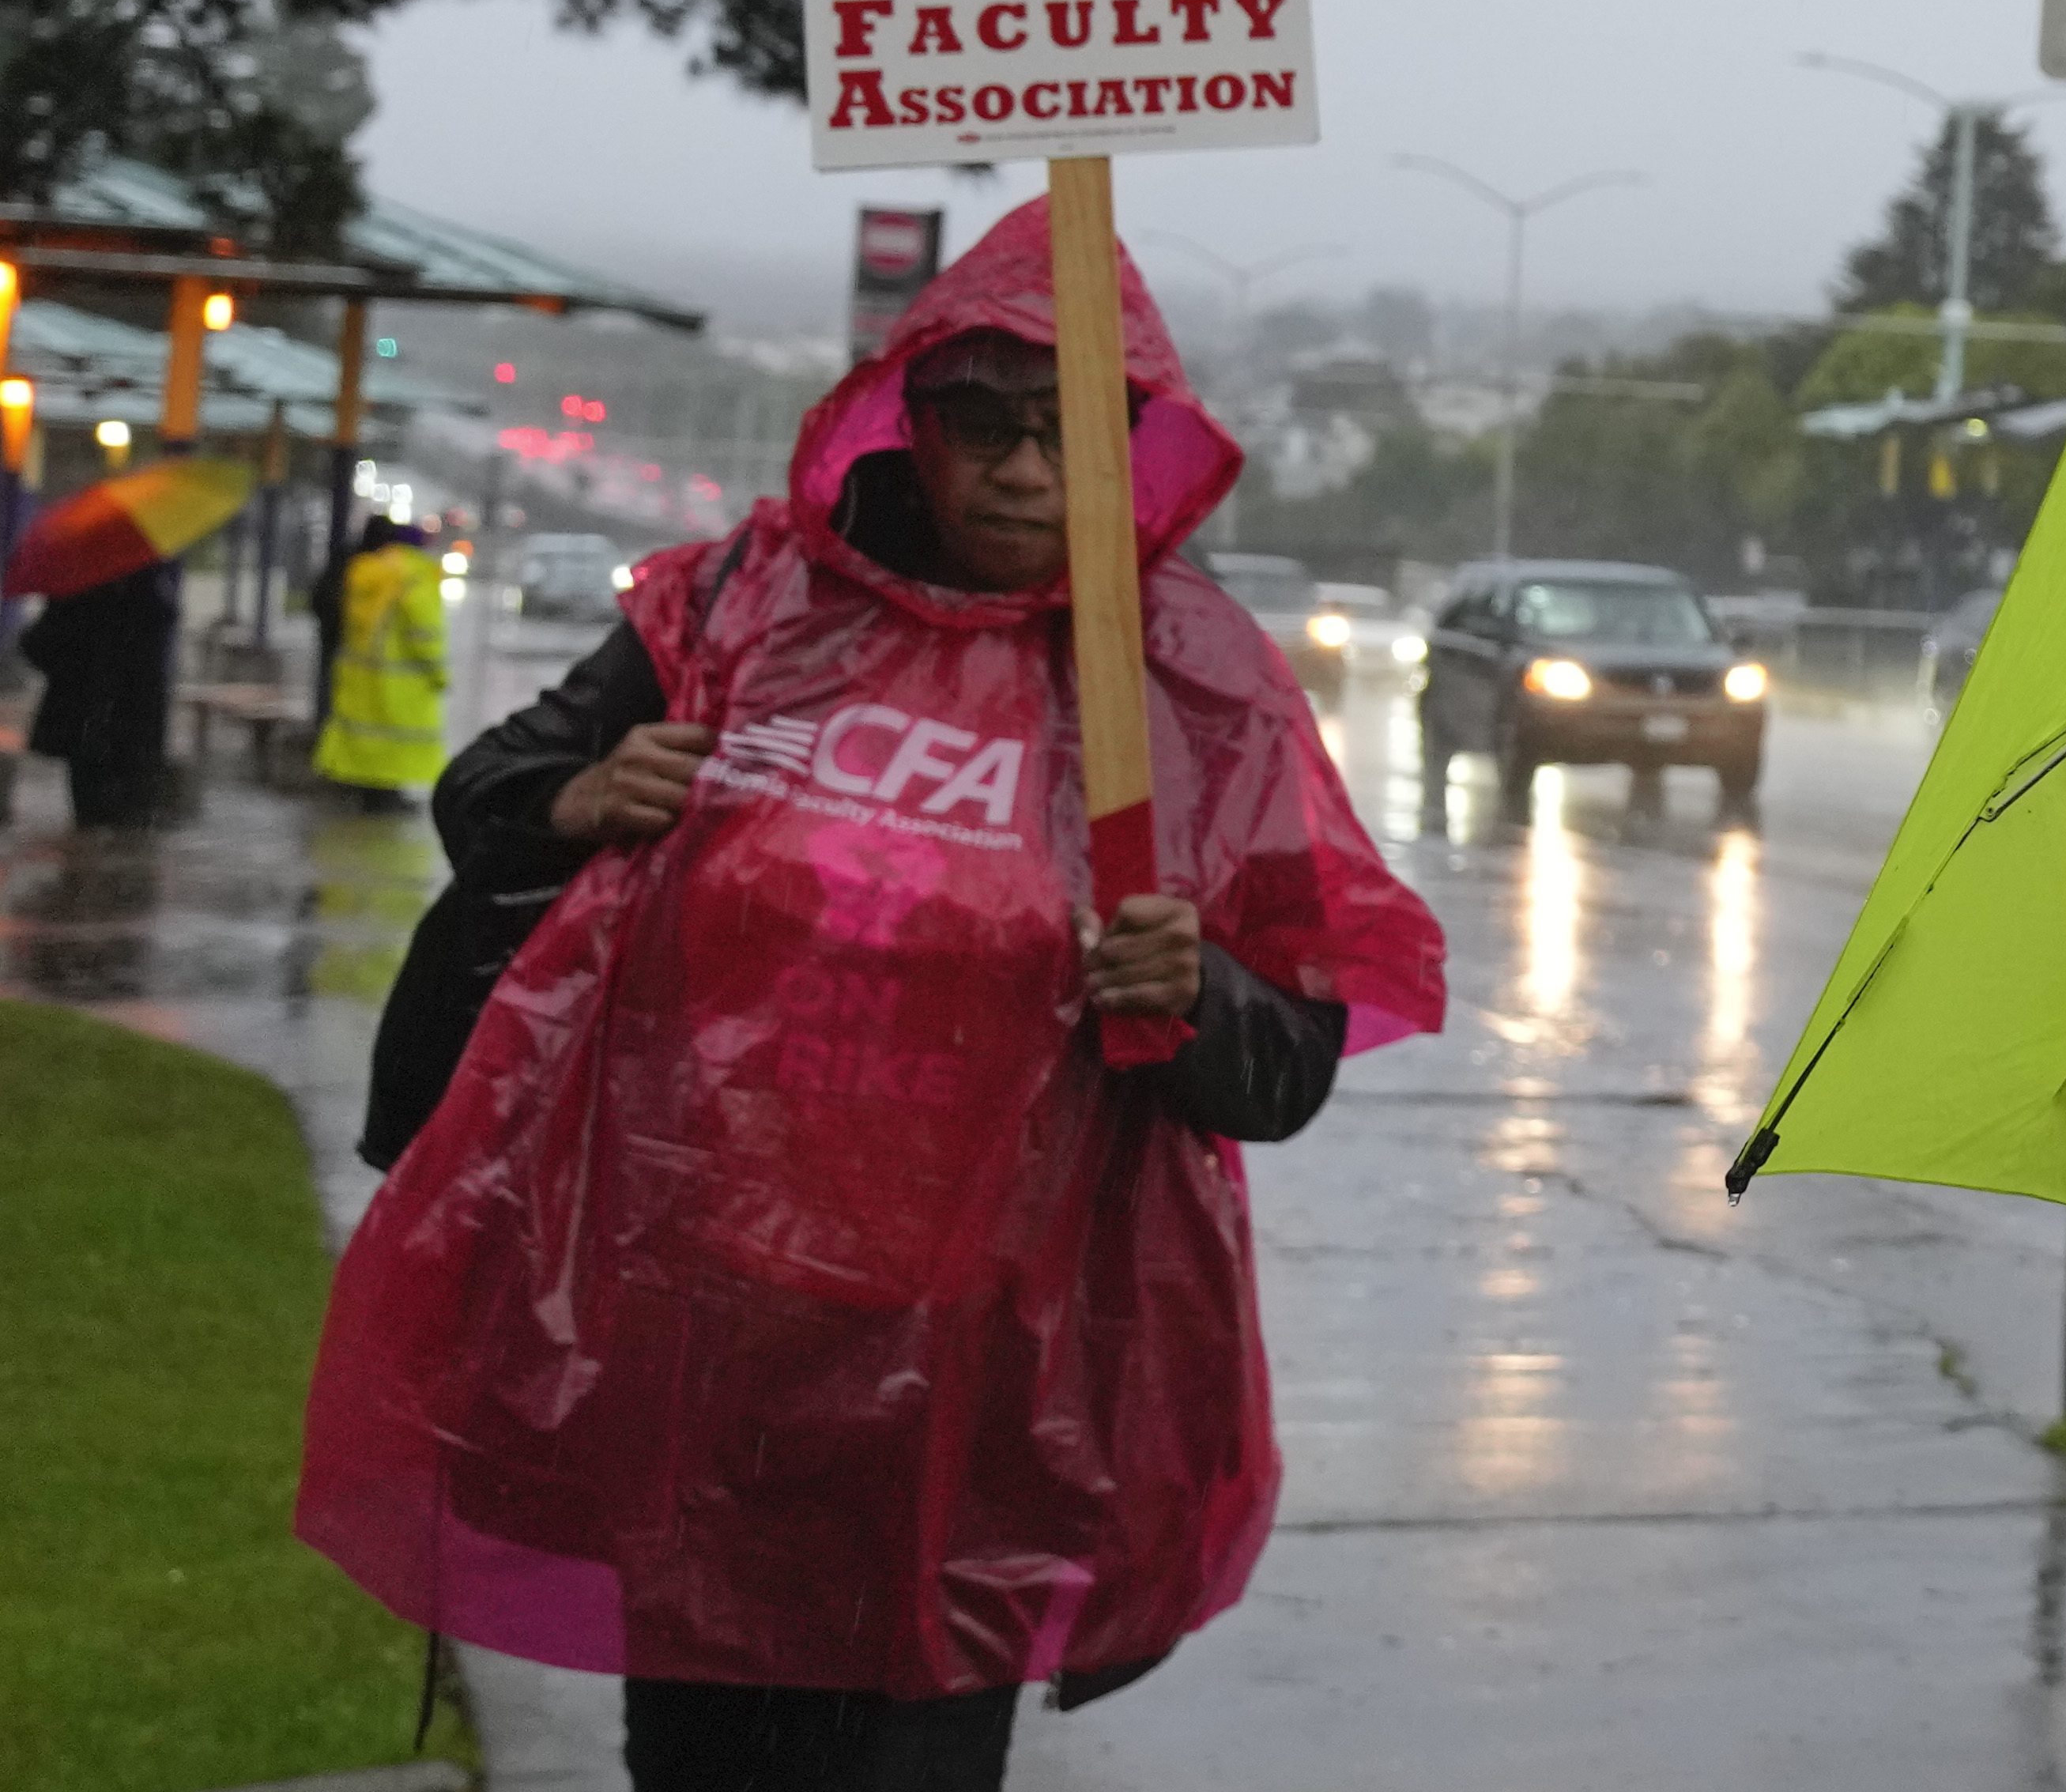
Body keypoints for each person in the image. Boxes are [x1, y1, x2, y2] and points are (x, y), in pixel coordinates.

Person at [300, 201, 1446, 1791]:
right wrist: (585, 797)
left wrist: (1195, 991)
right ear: (907, 419)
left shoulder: (1190, 690)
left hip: (979, 1388)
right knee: (700, 1759)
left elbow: (1285, 1066)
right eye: (983, 422)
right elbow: (494, 791)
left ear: (1138, 443)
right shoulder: (737, 610)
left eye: (1071, 430)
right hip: (707, 1352)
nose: (1026, 470)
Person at [18, 548, 180, 829]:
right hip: (133, 719)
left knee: (90, 813)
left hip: (86, 718)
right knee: (132, 817)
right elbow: (163, 626)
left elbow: (39, 645)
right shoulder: (148, 587)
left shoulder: (74, 586)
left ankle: (89, 862)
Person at [312, 515, 449, 805]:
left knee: (364, 734)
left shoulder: (363, 570)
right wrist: (439, 674)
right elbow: (425, 633)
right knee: (393, 738)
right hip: (403, 680)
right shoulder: (415, 576)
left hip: (359, 671)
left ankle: (366, 791)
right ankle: (385, 795)